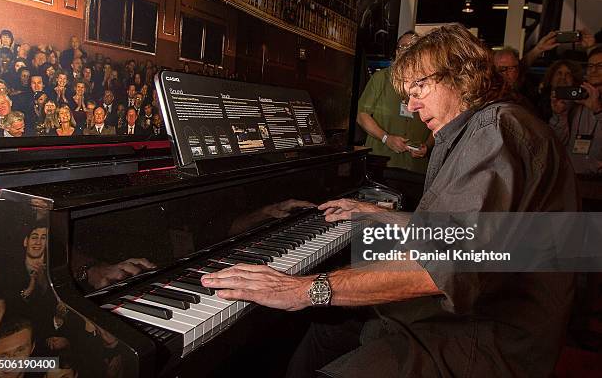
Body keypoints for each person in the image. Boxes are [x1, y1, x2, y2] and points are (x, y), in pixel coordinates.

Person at [201, 24, 578, 377]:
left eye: (419, 89)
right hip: (482, 307)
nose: (411, 107)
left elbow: (445, 263)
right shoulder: (486, 126)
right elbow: (475, 235)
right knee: (326, 331)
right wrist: (378, 214)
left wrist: (303, 289)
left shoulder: (493, 131)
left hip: (487, 330)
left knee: (327, 316)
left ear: (461, 74)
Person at [356, 31, 433, 174]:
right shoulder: (381, 78)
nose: (406, 51)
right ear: (396, 52)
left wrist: (427, 146)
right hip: (382, 164)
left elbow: (437, 122)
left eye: (412, 47)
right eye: (402, 47)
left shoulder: (428, 84)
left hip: (416, 168)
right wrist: (386, 138)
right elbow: (362, 115)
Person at [549, 46, 602, 174]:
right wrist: (559, 115)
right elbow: (558, 143)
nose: (594, 70)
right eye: (590, 66)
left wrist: (598, 110)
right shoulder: (577, 101)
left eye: (600, 66)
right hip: (573, 178)